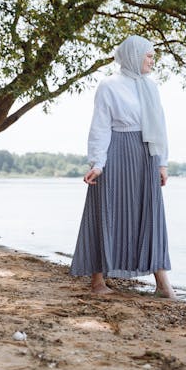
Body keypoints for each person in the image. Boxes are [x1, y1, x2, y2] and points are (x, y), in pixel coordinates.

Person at [70, 35, 175, 298]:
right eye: (148, 55)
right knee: (106, 210)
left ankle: (162, 283)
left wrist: (162, 162)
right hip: (116, 152)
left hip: (146, 155)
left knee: (150, 215)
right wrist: (97, 163)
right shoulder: (109, 86)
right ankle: (97, 282)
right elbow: (101, 125)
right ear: (133, 55)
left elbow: (160, 127)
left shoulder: (151, 87)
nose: (153, 60)